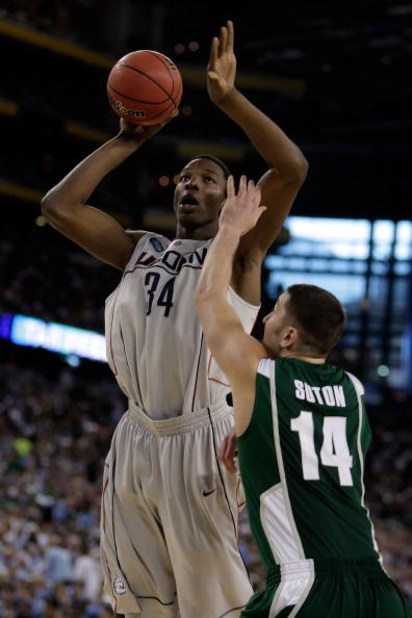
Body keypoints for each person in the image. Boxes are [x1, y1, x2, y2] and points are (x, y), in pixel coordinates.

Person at [40, 20, 308, 618]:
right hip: (135, 437)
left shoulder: (239, 255)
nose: (190, 185)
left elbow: (290, 168)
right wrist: (126, 140)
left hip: (201, 439)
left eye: (207, 179)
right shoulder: (139, 248)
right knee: (140, 606)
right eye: (184, 178)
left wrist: (229, 99)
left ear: (227, 198)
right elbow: (58, 207)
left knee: (213, 607)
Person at [195, 176, 412, 618]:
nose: (265, 317)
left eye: (274, 312)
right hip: (380, 592)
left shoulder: (262, 374)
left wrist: (231, 230)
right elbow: (318, 452)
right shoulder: (352, 391)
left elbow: (207, 300)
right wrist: (256, 441)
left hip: (309, 587)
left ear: (289, 336)